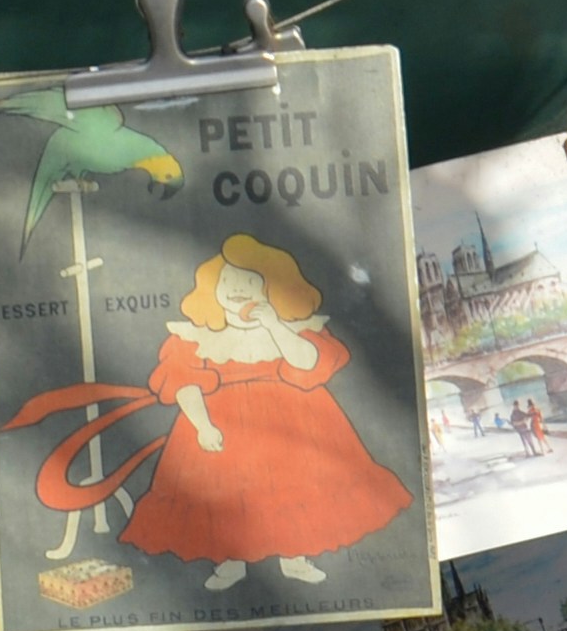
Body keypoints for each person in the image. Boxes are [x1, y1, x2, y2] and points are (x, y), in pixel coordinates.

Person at [115, 237, 413, 589]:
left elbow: (309, 363)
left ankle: (296, 557)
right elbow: (184, 382)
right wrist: (203, 425)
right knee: (225, 494)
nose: (239, 290)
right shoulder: (197, 337)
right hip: (224, 427)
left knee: (296, 489)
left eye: (251, 281)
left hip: (292, 424)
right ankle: (231, 561)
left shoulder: (297, 330)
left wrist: (274, 325)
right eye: (229, 281)